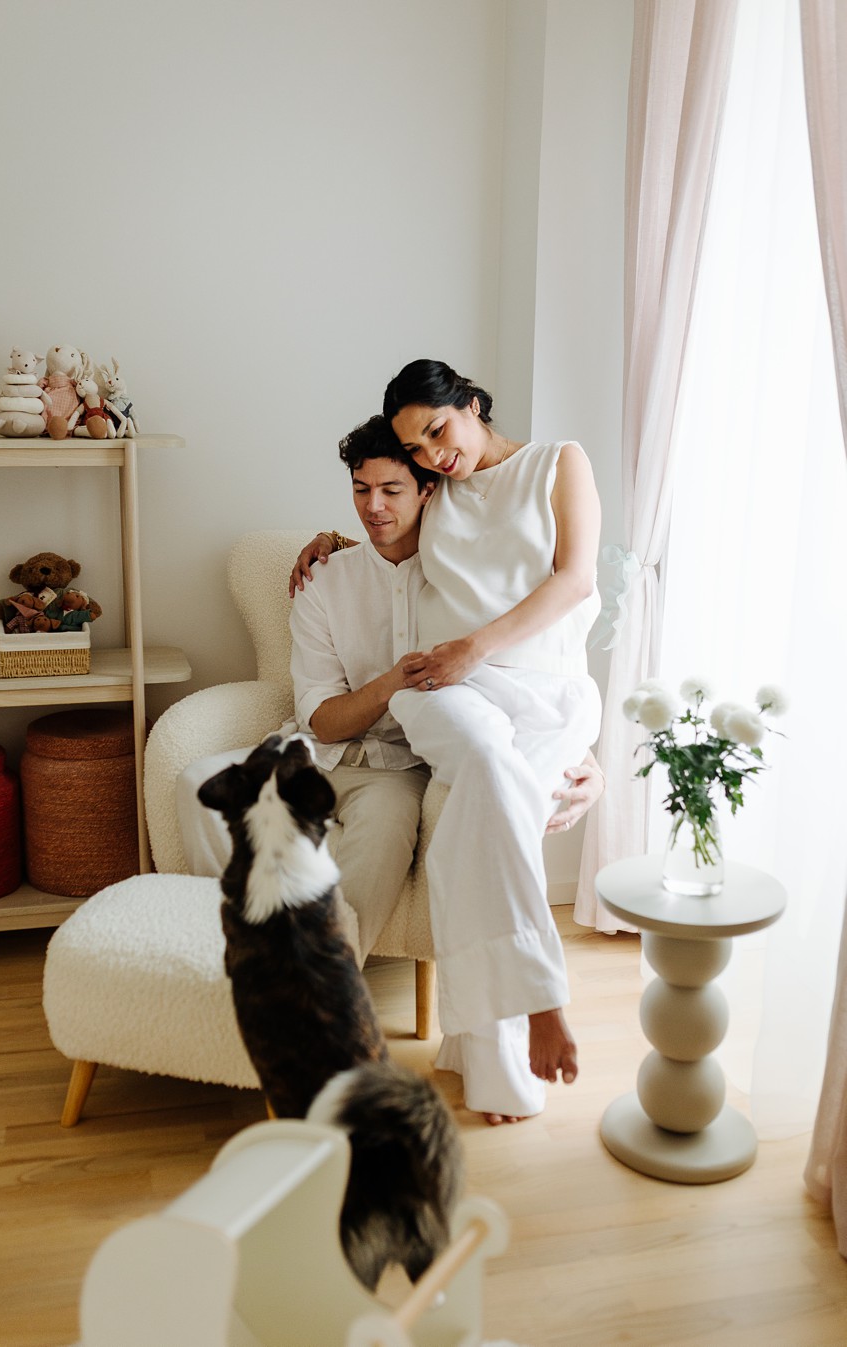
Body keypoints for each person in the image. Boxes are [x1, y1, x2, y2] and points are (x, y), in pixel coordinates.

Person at [177, 415, 603, 988]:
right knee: (197, 788)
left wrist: (588, 760)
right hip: (312, 755)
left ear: (428, 491)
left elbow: (532, 672)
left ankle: (317, 995)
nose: (373, 507)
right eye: (360, 489)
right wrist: (394, 681)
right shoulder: (324, 580)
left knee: (374, 859)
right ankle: (248, 940)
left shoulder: (466, 577)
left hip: (398, 773)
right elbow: (323, 721)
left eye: (391, 490)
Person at [292, 359, 602, 1124]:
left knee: (478, 812)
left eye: (438, 430)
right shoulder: (438, 488)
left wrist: (482, 649)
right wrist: (329, 537)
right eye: (418, 448)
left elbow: (575, 580)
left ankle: (482, 1054)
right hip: (441, 690)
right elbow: (380, 521)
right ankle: (541, 996)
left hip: (543, 693)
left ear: (470, 403)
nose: (434, 453)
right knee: (491, 768)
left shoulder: (559, 463)